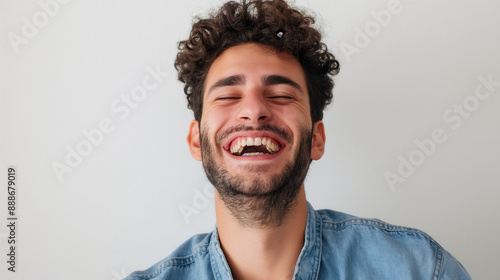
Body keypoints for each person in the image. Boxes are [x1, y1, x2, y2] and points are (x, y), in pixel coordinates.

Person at [125, 0, 471, 279]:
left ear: (316, 139)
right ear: (197, 141)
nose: (254, 110)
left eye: (280, 94)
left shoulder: (421, 269)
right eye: (229, 95)